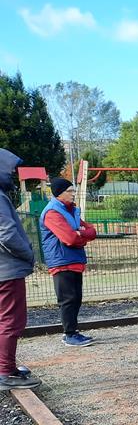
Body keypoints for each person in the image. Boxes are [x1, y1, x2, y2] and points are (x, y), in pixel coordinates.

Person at [39, 177, 97, 347]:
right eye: (70, 191)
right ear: (59, 194)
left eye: (73, 190)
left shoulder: (72, 211)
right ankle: (69, 334)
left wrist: (81, 234)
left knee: (76, 298)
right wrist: (78, 235)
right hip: (61, 261)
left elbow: (92, 231)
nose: (73, 194)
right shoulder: (52, 213)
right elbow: (69, 238)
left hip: (74, 259)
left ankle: (73, 332)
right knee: (68, 299)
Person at [0, 149, 40, 390]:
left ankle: (6, 366)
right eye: (10, 170)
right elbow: (7, 234)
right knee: (11, 320)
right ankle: (5, 372)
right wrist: (28, 254)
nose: (13, 175)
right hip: (6, 270)